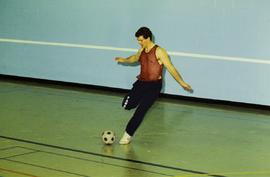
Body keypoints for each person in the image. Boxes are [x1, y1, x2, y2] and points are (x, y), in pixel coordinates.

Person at [115, 27, 192, 145]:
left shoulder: (159, 51)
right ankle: (133, 101)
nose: (139, 42)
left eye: (141, 40)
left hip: (154, 87)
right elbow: (135, 58)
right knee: (127, 105)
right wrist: (124, 60)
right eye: (138, 40)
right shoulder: (141, 50)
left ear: (148, 38)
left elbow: (171, 68)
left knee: (141, 111)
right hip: (140, 84)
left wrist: (182, 83)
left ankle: (128, 135)